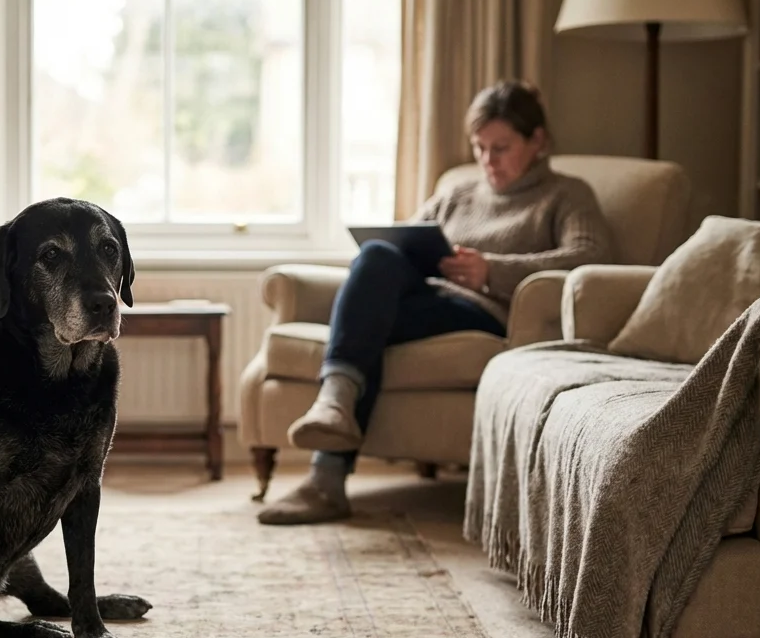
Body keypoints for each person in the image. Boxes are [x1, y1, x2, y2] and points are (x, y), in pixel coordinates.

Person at [258, 79, 617, 526]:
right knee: (375, 256)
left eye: (501, 148)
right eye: (480, 148)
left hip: (480, 314)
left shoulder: (566, 194)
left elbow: (591, 257)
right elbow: (403, 244)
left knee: (366, 324)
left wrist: (492, 270)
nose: (488, 161)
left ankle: (327, 471)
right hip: (426, 303)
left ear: (537, 140)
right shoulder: (458, 194)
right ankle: (334, 405)